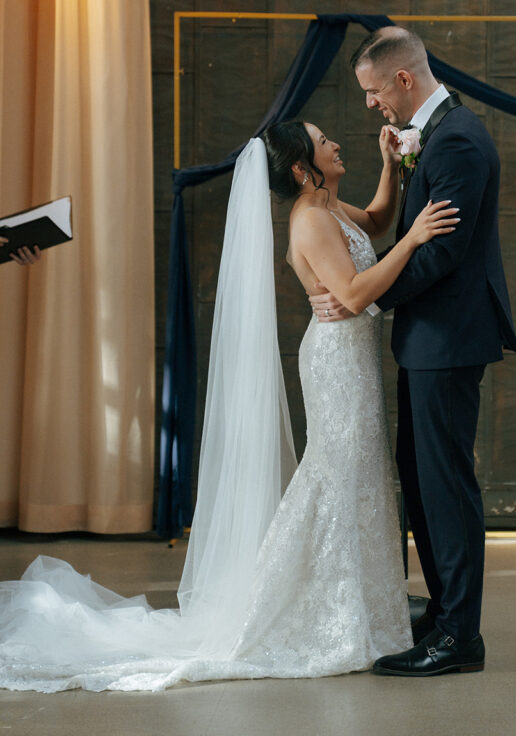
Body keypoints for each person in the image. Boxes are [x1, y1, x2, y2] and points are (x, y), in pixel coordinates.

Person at [0, 121, 458, 692]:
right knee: (334, 477)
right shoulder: (311, 219)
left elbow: (376, 221)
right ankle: (302, 606)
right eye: (323, 142)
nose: (336, 144)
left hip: (354, 360)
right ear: (301, 167)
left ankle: (360, 607)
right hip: (336, 364)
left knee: (360, 478)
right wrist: (414, 240)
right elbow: (356, 294)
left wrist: (390, 168)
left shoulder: (333, 209)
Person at [310, 27, 516, 677]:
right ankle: (444, 613)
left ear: (403, 79)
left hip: (449, 338)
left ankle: (459, 637)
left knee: (445, 488)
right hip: (432, 338)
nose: (371, 104)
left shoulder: (456, 139)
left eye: (373, 91)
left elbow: (440, 251)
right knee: (424, 481)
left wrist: (360, 299)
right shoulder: (442, 132)